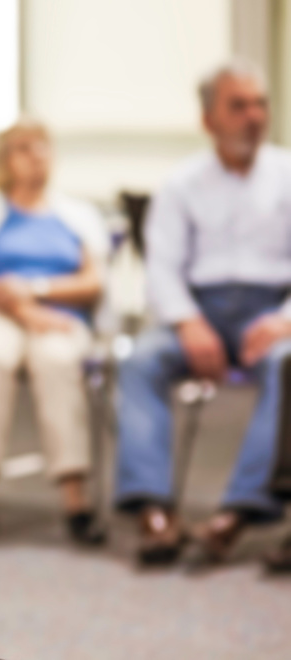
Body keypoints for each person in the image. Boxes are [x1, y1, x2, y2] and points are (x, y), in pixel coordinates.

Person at [115, 59, 291, 566]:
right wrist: (189, 322)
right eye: (239, 106)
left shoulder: (287, 173)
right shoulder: (181, 184)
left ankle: (237, 512)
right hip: (200, 310)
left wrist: (283, 320)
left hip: (272, 313)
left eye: (261, 104)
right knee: (139, 361)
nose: (253, 116)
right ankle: (155, 512)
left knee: (288, 365)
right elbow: (162, 268)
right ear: (208, 118)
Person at [0, 118, 109, 546]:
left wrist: (37, 293)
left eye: (42, 147)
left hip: (60, 316)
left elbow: (93, 283)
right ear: (3, 161)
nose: (36, 156)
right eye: (23, 148)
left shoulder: (79, 214)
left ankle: (77, 503)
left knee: (56, 361)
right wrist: (26, 311)